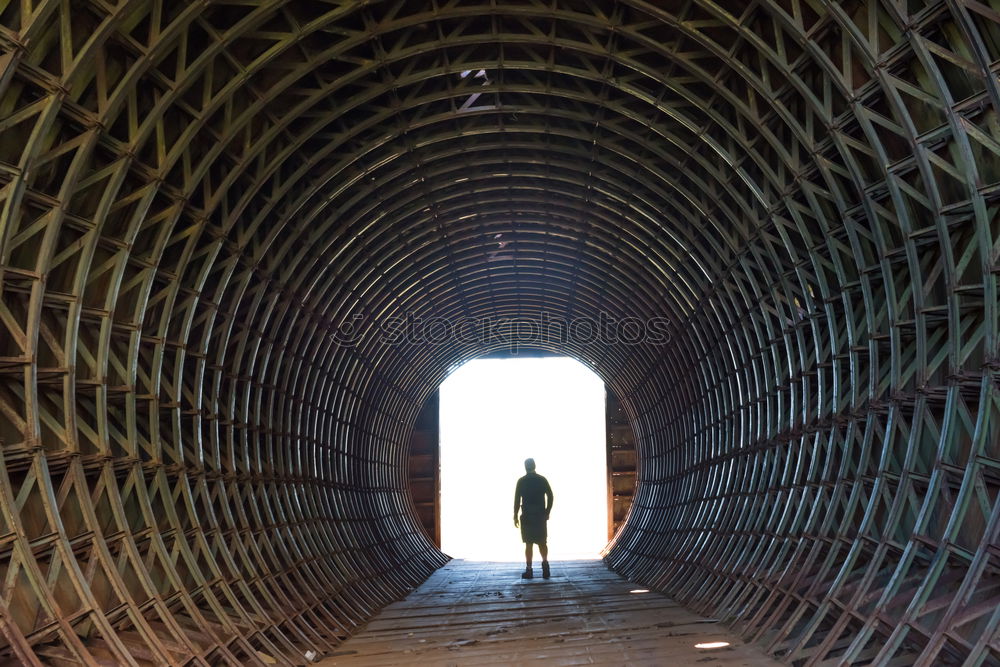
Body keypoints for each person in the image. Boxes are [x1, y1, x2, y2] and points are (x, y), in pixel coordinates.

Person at [513, 458, 553, 579]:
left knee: (528, 544)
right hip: (540, 516)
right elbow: (550, 496)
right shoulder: (542, 480)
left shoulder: (521, 481)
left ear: (525, 467)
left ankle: (529, 570)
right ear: (535, 466)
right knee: (542, 542)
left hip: (527, 516)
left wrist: (515, 515)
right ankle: (545, 568)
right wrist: (547, 511)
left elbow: (517, 500)